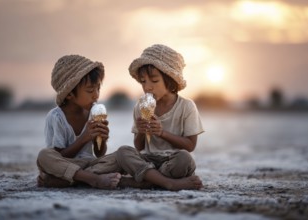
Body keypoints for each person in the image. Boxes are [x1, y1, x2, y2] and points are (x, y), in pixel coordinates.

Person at [115, 44, 204, 190]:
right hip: (148, 160)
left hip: (173, 160)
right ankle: (166, 182)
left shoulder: (187, 106)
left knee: (185, 159)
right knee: (123, 152)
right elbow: (139, 146)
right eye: (143, 81)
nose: (147, 87)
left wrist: (161, 133)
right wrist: (141, 131)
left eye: (154, 81)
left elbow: (190, 145)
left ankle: (147, 180)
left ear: (170, 80)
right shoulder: (140, 106)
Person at [36, 54, 122, 189]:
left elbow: (99, 153)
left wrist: (102, 139)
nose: (96, 95)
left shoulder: (94, 113)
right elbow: (60, 157)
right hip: (65, 165)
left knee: (122, 154)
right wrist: (84, 138)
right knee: (44, 156)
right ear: (69, 94)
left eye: (98, 89)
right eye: (90, 90)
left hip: (89, 164)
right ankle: (93, 179)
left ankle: (65, 180)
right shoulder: (56, 117)